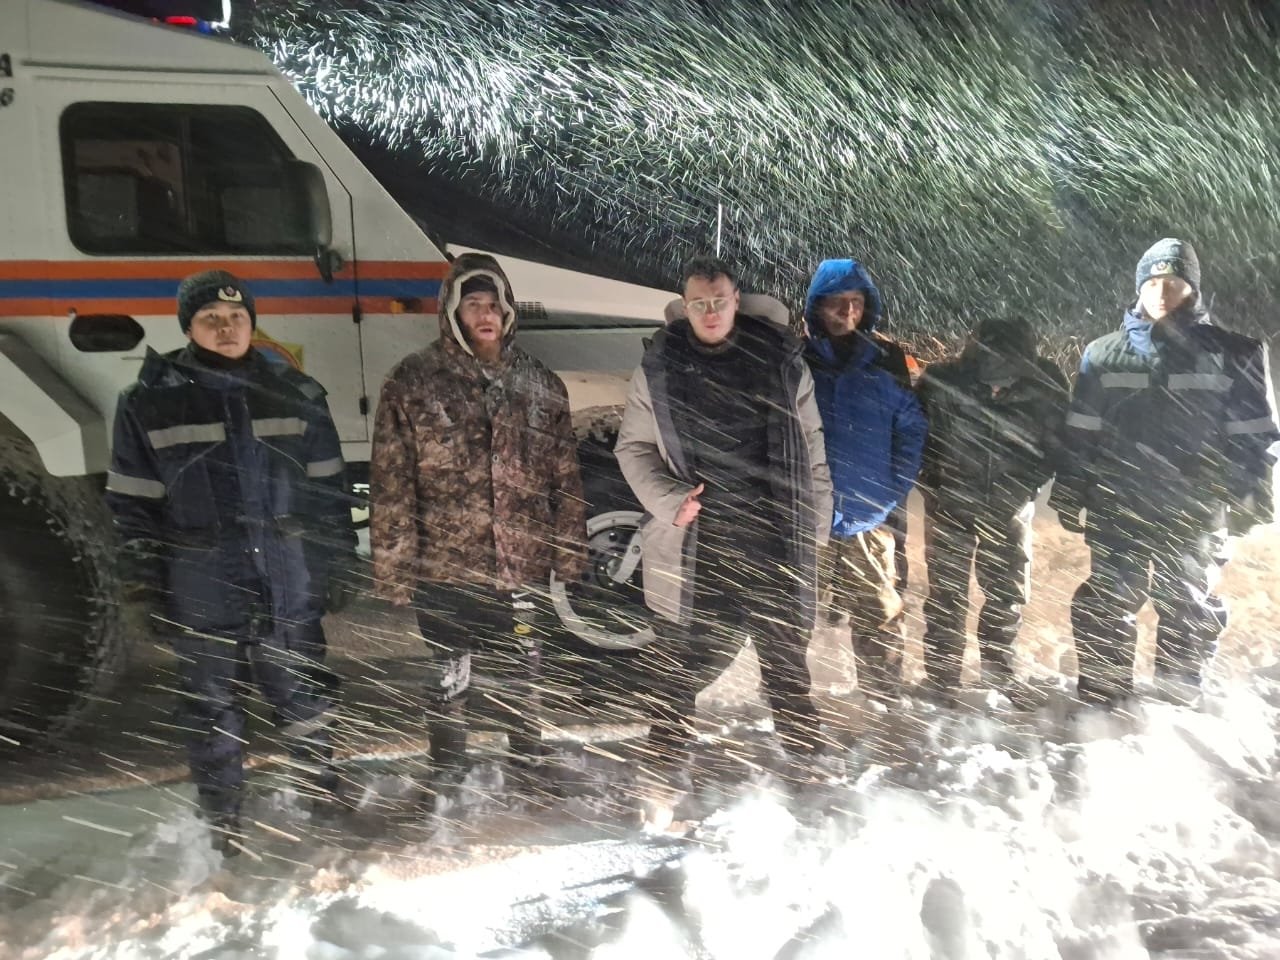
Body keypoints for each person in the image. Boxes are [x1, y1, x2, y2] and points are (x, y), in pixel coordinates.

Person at [106, 270, 352, 856]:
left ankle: (322, 797)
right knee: (210, 707)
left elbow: (327, 492)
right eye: (210, 318)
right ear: (187, 327)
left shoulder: (297, 393)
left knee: (304, 694)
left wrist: (339, 560)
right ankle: (223, 822)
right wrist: (142, 584)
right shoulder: (148, 402)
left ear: (252, 323)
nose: (226, 328)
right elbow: (133, 506)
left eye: (237, 317)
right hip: (201, 585)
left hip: (286, 581)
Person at [370, 251, 587, 792]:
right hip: (444, 569)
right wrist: (395, 568)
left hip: (521, 565)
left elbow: (565, 476)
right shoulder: (412, 382)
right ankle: (447, 765)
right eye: (473, 305)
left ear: (508, 310)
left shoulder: (539, 383)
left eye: (493, 304)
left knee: (523, 665)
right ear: (452, 312)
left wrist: (568, 551)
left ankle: (528, 758)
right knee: (450, 671)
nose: (485, 315)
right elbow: (391, 484)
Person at [614, 255, 833, 786]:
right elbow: (633, 448)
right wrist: (670, 501)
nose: (710, 313)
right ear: (684, 306)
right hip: (695, 544)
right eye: (699, 304)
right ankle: (664, 764)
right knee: (678, 661)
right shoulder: (660, 367)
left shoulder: (780, 361)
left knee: (786, 660)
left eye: (719, 301)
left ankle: (807, 760)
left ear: (737, 300)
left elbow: (812, 451)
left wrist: (816, 530)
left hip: (771, 539)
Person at [1049, 238, 1279, 709]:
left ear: (1192, 290)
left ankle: (1177, 703)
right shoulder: (1103, 353)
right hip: (1118, 500)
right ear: (1139, 286)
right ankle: (1102, 701)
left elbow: (1256, 437)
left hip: (1194, 506)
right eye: (1152, 282)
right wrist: (1070, 489)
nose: (1161, 293)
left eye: (1173, 283)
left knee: (1187, 603)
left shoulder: (1235, 353)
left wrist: (1251, 496)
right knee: (1108, 599)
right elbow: (1081, 433)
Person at [915, 316, 1069, 705]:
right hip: (951, 503)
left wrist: (1025, 484)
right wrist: (935, 479)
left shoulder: (1045, 389)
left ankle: (998, 670)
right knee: (946, 593)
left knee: (1006, 592)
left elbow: (1056, 447)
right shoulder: (943, 382)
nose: (997, 386)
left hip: (1009, 506)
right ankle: (942, 677)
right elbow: (920, 435)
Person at [802, 258, 927, 704]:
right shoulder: (797, 361)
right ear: (817, 307)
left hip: (870, 514)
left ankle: (883, 699)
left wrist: (894, 486)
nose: (847, 311)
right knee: (791, 614)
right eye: (836, 302)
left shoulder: (886, 361)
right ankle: (791, 704)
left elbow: (911, 427)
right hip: (808, 514)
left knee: (880, 611)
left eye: (855, 302)